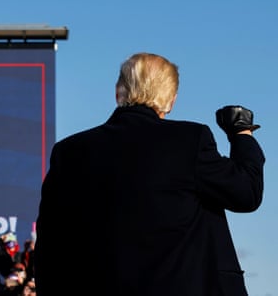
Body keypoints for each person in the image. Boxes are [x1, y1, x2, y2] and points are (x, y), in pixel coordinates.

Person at [34, 52, 266, 296]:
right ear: (171, 100)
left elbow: (49, 246)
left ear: (118, 91)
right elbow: (246, 193)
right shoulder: (189, 141)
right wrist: (241, 133)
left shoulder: (69, 152)